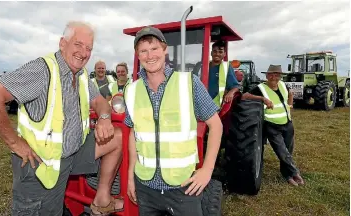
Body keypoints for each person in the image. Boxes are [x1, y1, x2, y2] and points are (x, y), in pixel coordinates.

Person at [0, 21, 124, 215]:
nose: (84, 52)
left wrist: (104, 117)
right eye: (78, 44)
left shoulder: (82, 75)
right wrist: (15, 143)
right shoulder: (42, 70)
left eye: (89, 48)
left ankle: (102, 200)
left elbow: (100, 102)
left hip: (72, 155)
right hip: (40, 163)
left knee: (118, 136)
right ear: (62, 44)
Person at [124, 26, 223, 216]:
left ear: (164, 49)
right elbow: (133, 134)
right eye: (143, 50)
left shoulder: (189, 83)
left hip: (183, 186)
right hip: (146, 187)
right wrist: (130, 177)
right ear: (137, 55)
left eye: (154, 49)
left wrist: (207, 170)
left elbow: (216, 125)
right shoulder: (131, 90)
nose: (149, 55)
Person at [242, 64, 304, 186]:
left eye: (276, 75)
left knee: (288, 150)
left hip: (287, 123)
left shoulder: (282, 85)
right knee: (282, 151)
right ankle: (295, 173)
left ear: (280, 76)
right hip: (272, 125)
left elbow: (290, 94)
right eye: (271, 74)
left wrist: (290, 105)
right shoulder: (261, 88)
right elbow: (244, 96)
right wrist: (262, 99)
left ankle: (287, 175)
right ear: (267, 75)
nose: (273, 77)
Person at [208, 40, 240, 107]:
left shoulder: (226, 67)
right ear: (211, 53)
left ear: (224, 54)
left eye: (220, 52)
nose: (217, 54)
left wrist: (231, 93)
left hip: (217, 105)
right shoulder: (204, 65)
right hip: (201, 102)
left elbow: (236, 86)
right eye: (215, 51)